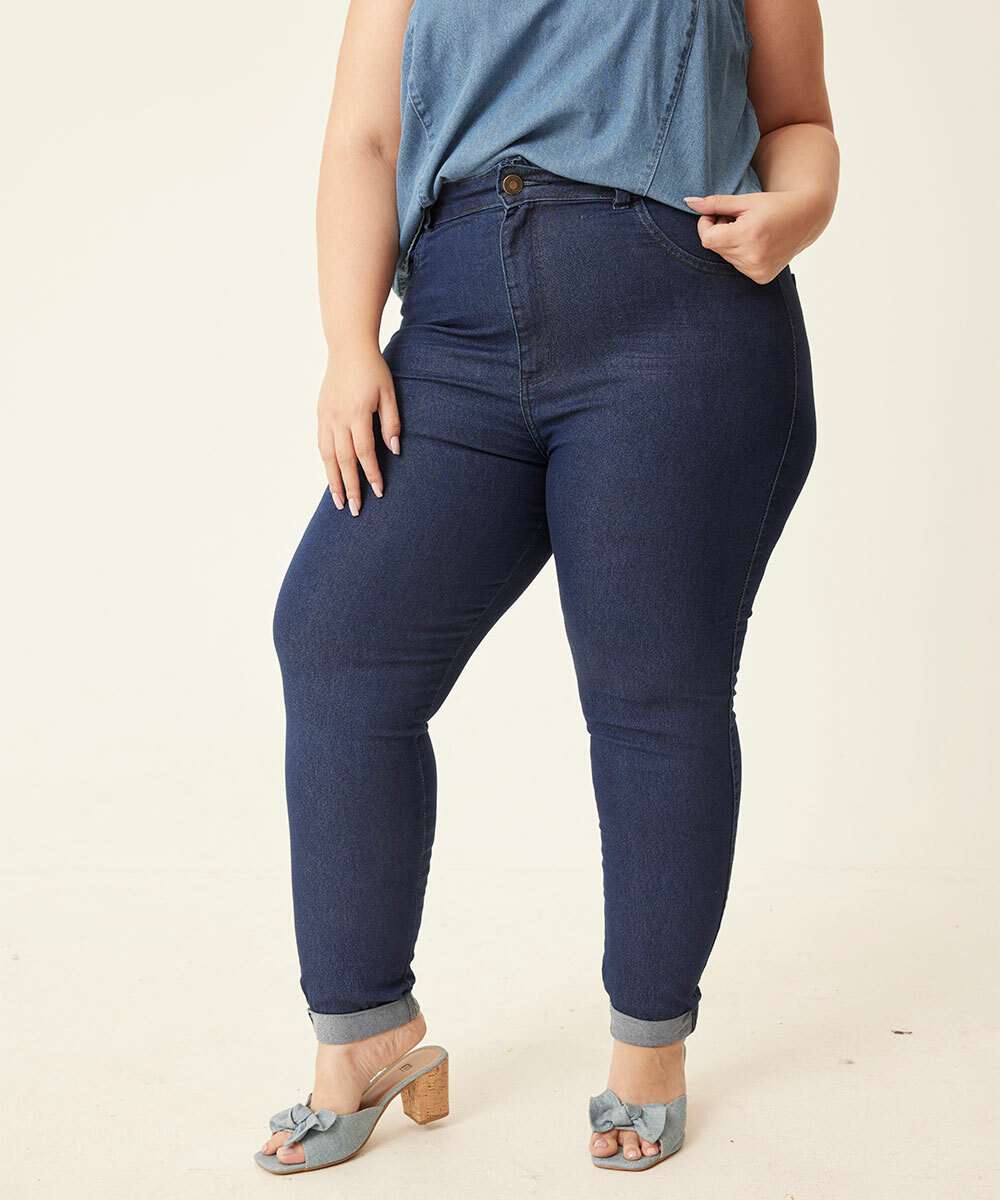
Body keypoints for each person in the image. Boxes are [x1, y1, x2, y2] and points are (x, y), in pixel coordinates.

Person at [256, 0, 838, 1175]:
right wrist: (349, 344)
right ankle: (365, 1034)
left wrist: (800, 209)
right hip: (454, 325)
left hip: (674, 316)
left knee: (649, 689)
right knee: (336, 638)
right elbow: (364, 139)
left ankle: (648, 1048)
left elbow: (799, 120)